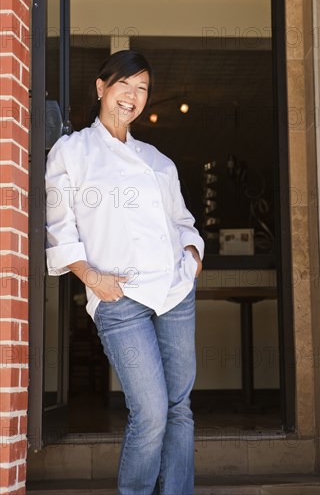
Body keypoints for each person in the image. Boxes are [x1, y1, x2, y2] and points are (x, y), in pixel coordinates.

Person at [45, 50, 204, 495]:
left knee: (178, 406)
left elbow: (182, 221)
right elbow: (58, 227)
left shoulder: (157, 160)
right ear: (101, 88)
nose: (132, 97)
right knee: (151, 411)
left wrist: (191, 257)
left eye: (142, 89)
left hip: (174, 292)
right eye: (124, 86)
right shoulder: (71, 151)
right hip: (118, 298)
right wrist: (92, 278)